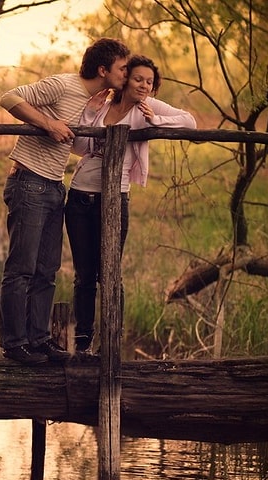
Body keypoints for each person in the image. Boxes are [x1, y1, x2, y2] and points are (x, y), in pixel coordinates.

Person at [0, 38, 131, 365]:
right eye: (122, 68)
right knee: (21, 269)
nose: (126, 74)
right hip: (29, 181)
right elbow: (8, 97)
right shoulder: (62, 84)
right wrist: (47, 123)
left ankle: (40, 341)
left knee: (47, 271)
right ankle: (15, 344)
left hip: (55, 187)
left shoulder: (91, 100)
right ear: (103, 70)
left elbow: (78, 142)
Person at [65, 55, 197, 356]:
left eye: (149, 82)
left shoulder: (145, 108)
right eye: (138, 79)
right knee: (84, 275)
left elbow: (190, 121)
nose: (144, 85)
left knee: (110, 271)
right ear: (126, 80)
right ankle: (83, 343)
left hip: (115, 200)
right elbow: (79, 148)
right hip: (79, 197)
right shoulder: (103, 104)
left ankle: (110, 342)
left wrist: (156, 121)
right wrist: (89, 114)